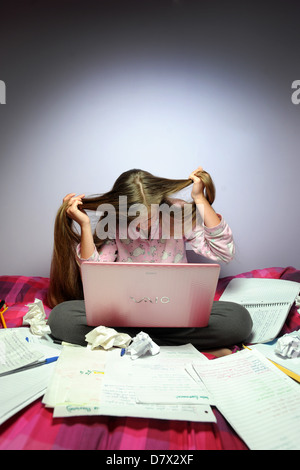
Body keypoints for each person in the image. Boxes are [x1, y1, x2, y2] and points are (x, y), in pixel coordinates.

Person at [48, 166, 252, 356]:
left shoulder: (177, 214)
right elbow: (93, 273)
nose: (143, 223)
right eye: (134, 217)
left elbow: (224, 252)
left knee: (238, 320)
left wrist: (200, 199)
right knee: (61, 319)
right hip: (124, 315)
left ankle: (130, 343)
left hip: (176, 314)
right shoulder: (113, 220)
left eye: (149, 216)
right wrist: (84, 226)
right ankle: (181, 346)